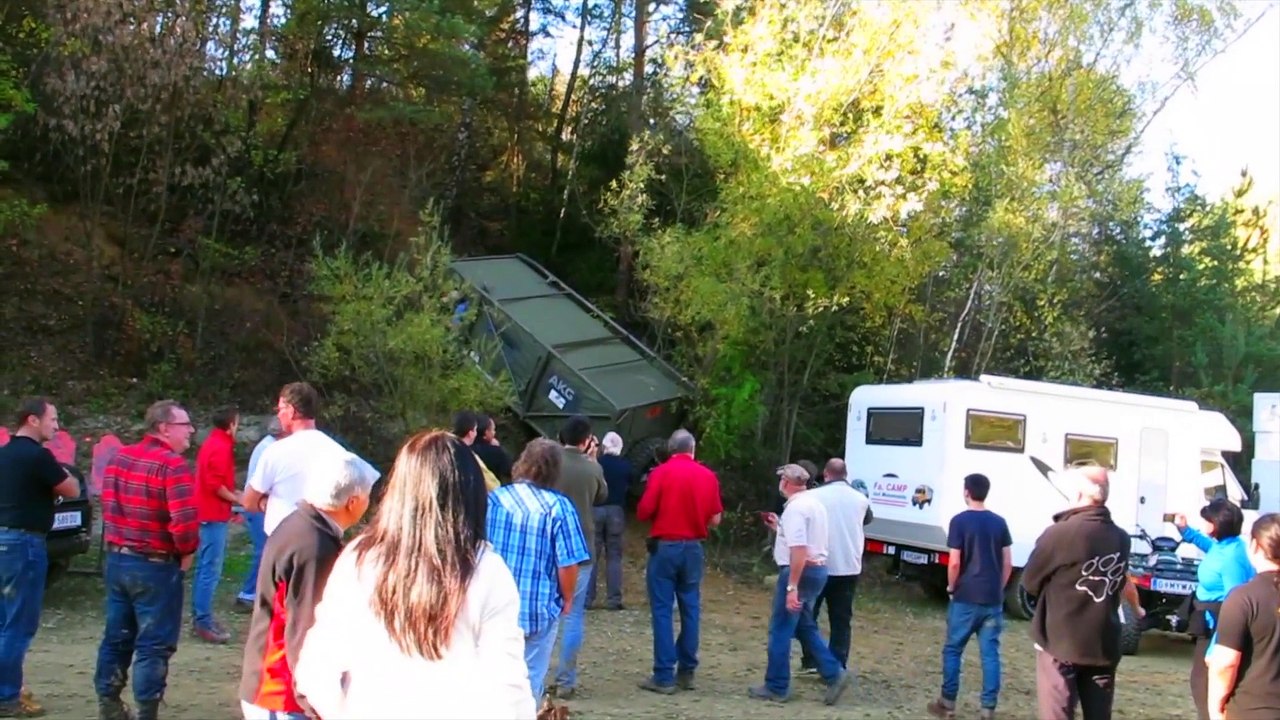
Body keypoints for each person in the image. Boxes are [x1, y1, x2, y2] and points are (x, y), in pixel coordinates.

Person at [293, 431, 534, 719]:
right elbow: (509, 690)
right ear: (470, 495)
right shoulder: (486, 570)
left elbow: (316, 666)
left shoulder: (360, 559)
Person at [240, 452, 375, 720]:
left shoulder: (300, 525)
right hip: (282, 693)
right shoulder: (314, 546)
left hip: (270, 683)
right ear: (352, 502)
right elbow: (304, 627)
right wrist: (313, 703)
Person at [94, 400, 199, 720]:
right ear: (164, 428)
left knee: (117, 636)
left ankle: (108, 703)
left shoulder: (119, 458)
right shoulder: (172, 465)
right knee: (153, 644)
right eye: (185, 425)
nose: (191, 431)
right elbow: (184, 521)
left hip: (118, 560)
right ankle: (147, 710)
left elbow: (108, 507)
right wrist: (186, 553)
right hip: (156, 564)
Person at [1020, 465, 1131, 720]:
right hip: (1103, 643)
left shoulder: (1060, 533)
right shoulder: (1122, 538)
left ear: (1078, 494)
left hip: (1061, 642)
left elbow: (1030, 582)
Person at [486, 438, 590, 703]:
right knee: (530, 679)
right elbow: (568, 562)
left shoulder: (496, 500)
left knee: (494, 677)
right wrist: (567, 599)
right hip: (538, 607)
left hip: (494, 606)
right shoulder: (558, 507)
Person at [0, 398, 78, 718]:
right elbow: (71, 488)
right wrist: (53, 489)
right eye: (53, 419)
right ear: (33, 420)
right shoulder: (38, 456)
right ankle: (7, 696)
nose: (56, 426)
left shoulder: (3, 454)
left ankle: (9, 686)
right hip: (25, 543)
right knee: (19, 624)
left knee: (4, 621)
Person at [749, 464, 852, 705]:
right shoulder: (814, 504)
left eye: (781, 479)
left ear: (786, 482)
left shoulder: (796, 509)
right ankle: (833, 672)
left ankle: (776, 685)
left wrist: (791, 587)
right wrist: (779, 529)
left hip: (801, 572)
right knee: (804, 626)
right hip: (817, 570)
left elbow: (799, 550)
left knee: (781, 629)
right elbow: (806, 539)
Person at [635, 429, 723, 694]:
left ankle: (663, 675)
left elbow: (644, 511)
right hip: (693, 547)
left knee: (662, 610)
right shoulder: (707, 476)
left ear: (670, 449)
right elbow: (716, 518)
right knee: (690, 608)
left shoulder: (660, 473)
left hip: (666, 546)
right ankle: (687, 670)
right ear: (692, 449)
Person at [243, 382, 380, 536]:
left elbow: (248, 502)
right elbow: (368, 481)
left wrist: (264, 504)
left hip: (283, 541)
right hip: (323, 541)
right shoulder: (337, 452)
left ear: (291, 411)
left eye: (280, 409)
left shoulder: (275, 451)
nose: (278, 415)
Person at [927, 473, 1013, 720]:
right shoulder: (1000, 522)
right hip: (992, 599)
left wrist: (952, 588)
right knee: (990, 654)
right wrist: (999, 587)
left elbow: (954, 562)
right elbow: (1007, 562)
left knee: (953, 649)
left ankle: (948, 702)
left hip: (965, 597)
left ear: (966, 492)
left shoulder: (959, 521)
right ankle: (988, 708)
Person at [1172, 499, 1255, 719]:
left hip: (1218, 622)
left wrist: (1217, 646)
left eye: (1206, 519)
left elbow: (1235, 601)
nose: (1204, 522)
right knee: (1199, 683)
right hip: (1206, 619)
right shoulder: (1224, 545)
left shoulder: (1231, 558)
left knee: (1204, 686)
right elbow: (1208, 546)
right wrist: (1185, 530)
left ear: (1216, 524)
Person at [550, 415, 608, 699]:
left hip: (549, 545)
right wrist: (593, 460)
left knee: (544, 613)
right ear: (587, 440)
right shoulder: (592, 468)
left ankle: (538, 673)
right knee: (572, 615)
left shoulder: (550, 463)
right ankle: (566, 680)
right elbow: (602, 497)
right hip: (581, 548)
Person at [797, 458, 870, 674]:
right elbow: (867, 520)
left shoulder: (813, 496)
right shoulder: (860, 499)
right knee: (841, 619)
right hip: (849, 565)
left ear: (826, 475)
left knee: (809, 615)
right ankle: (838, 662)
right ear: (845, 475)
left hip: (819, 564)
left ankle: (811, 658)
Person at [1205, 512, 1280, 720]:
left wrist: (1215, 707)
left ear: (1255, 546)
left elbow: (1225, 663)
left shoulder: (1242, 599)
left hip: (1252, 709)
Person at [191, 405, 242, 644]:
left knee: (205, 568)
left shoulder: (213, 442)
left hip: (208, 512)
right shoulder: (221, 446)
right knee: (210, 569)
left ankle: (202, 616)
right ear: (231, 423)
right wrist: (237, 499)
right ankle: (202, 620)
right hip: (212, 514)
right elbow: (215, 483)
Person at [235, 417, 286, 612]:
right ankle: (248, 593)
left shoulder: (268, 445)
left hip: (260, 504)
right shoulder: (270, 449)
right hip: (259, 505)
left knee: (266, 549)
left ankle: (257, 593)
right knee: (264, 550)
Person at [587, 431, 632, 611]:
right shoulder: (625, 466)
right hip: (616, 511)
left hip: (596, 509)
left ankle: (587, 598)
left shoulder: (596, 465)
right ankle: (614, 599)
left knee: (592, 556)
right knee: (614, 556)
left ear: (604, 447)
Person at [452, 410, 501, 491]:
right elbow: (494, 486)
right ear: (471, 433)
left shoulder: (443, 448)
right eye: (475, 430)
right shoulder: (471, 457)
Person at [472, 413, 513, 484]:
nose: (494, 432)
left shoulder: (464, 446)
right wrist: (498, 448)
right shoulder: (496, 452)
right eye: (493, 430)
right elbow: (510, 471)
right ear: (486, 432)